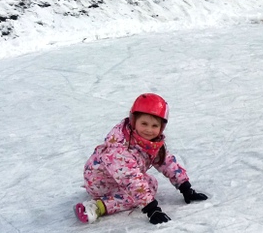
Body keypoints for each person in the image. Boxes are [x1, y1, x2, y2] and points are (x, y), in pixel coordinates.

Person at [74, 93, 208, 224]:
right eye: (144, 123)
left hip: (118, 177)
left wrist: (185, 188)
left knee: (151, 184)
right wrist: (151, 209)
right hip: (101, 182)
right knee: (135, 194)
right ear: (133, 121)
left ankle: (115, 199)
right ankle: (98, 206)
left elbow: (165, 162)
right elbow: (131, 179)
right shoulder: (119, 148)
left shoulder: (148, 141)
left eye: (155, 126)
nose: (149, 130)